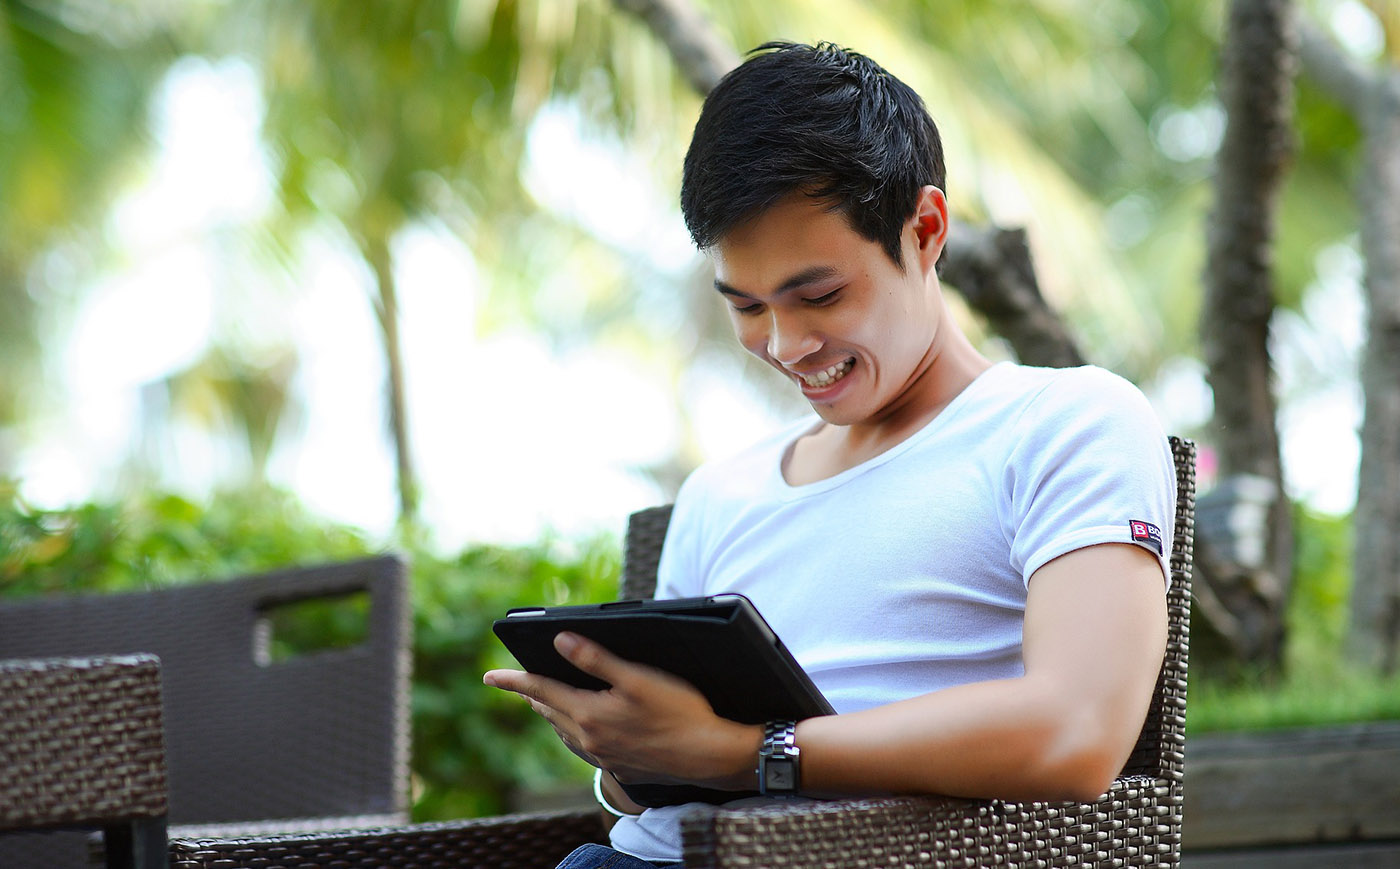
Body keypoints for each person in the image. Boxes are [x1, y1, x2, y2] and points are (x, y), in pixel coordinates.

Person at [485, 41, 1176, 869]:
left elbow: (1080, 731)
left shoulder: (1064, 421)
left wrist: (746, 752)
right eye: (746, 304)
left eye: (819, 295)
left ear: (924, 231)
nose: (785, 344)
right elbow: (650, 793)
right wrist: (629, 746)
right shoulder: (720, 491)